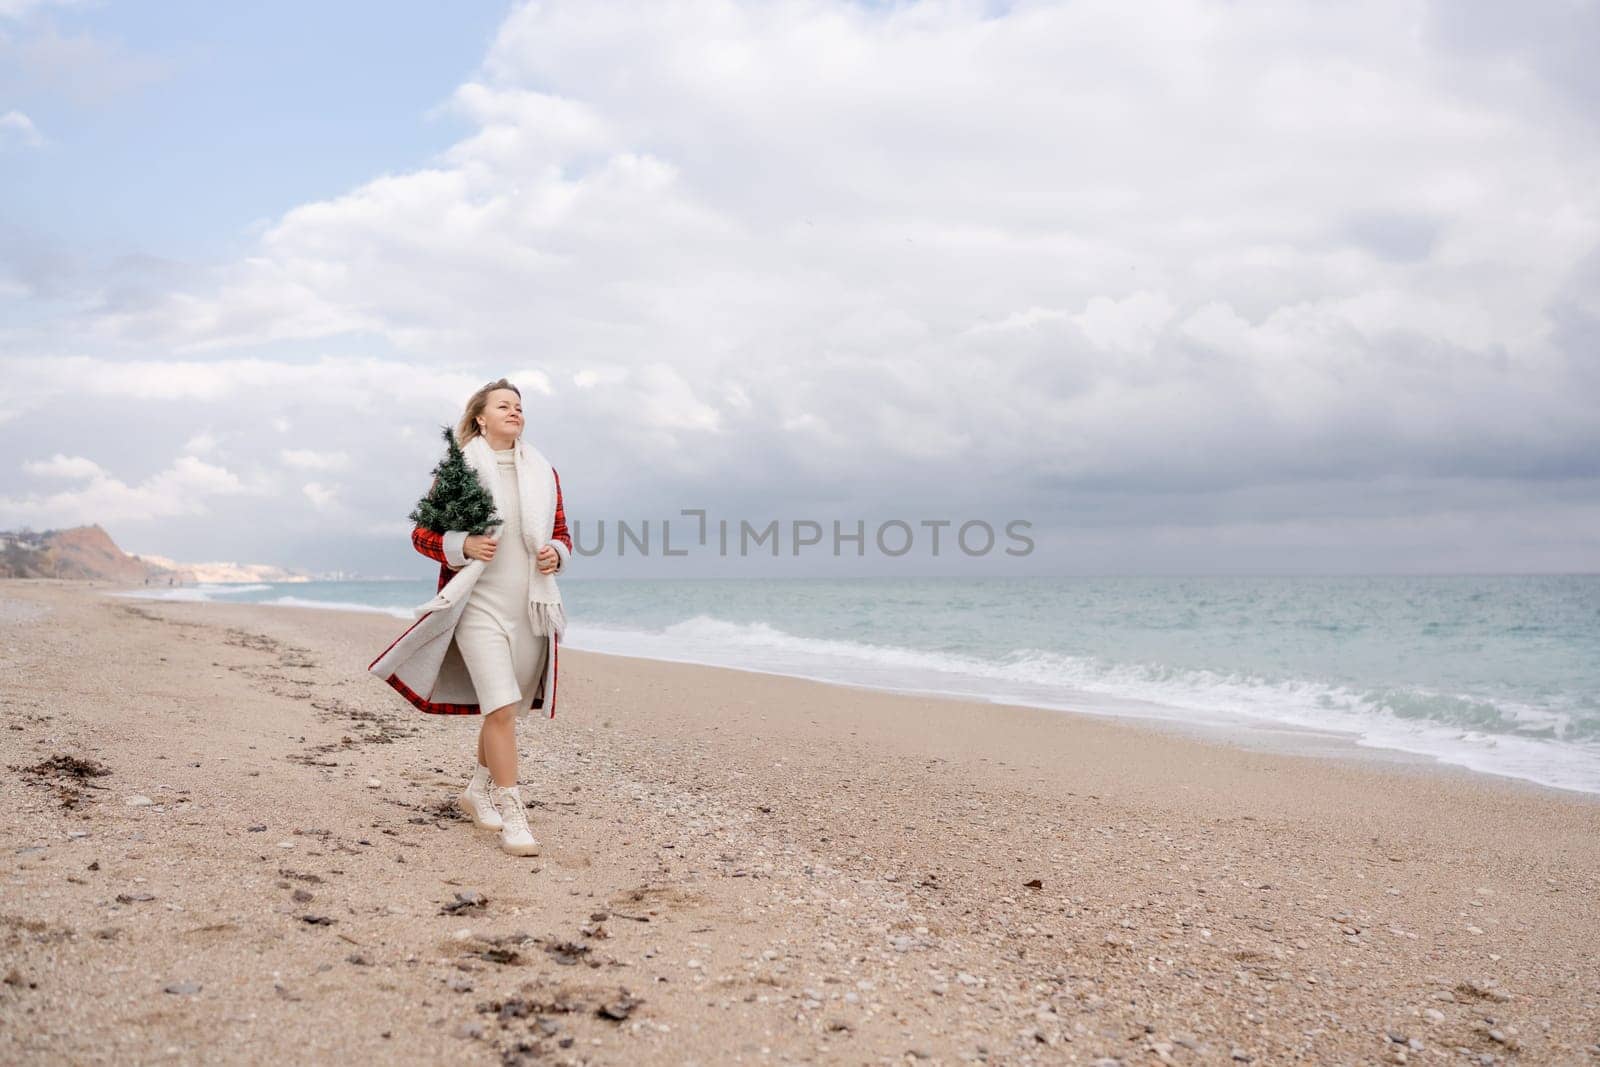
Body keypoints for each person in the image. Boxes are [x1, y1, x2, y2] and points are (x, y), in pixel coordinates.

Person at [368, 378, 571, 857]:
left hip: (529, 609)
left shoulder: (544, 471)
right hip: (478, 604)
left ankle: (477, 791)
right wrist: (461, 545)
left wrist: (556, 556)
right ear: (480, 417)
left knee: (507, 708)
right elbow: (422, 535)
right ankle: (513, 811)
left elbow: (561, 533)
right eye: (504, 405)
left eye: (519, 406)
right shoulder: (459, 470)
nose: (515, 411)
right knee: (500, 709)